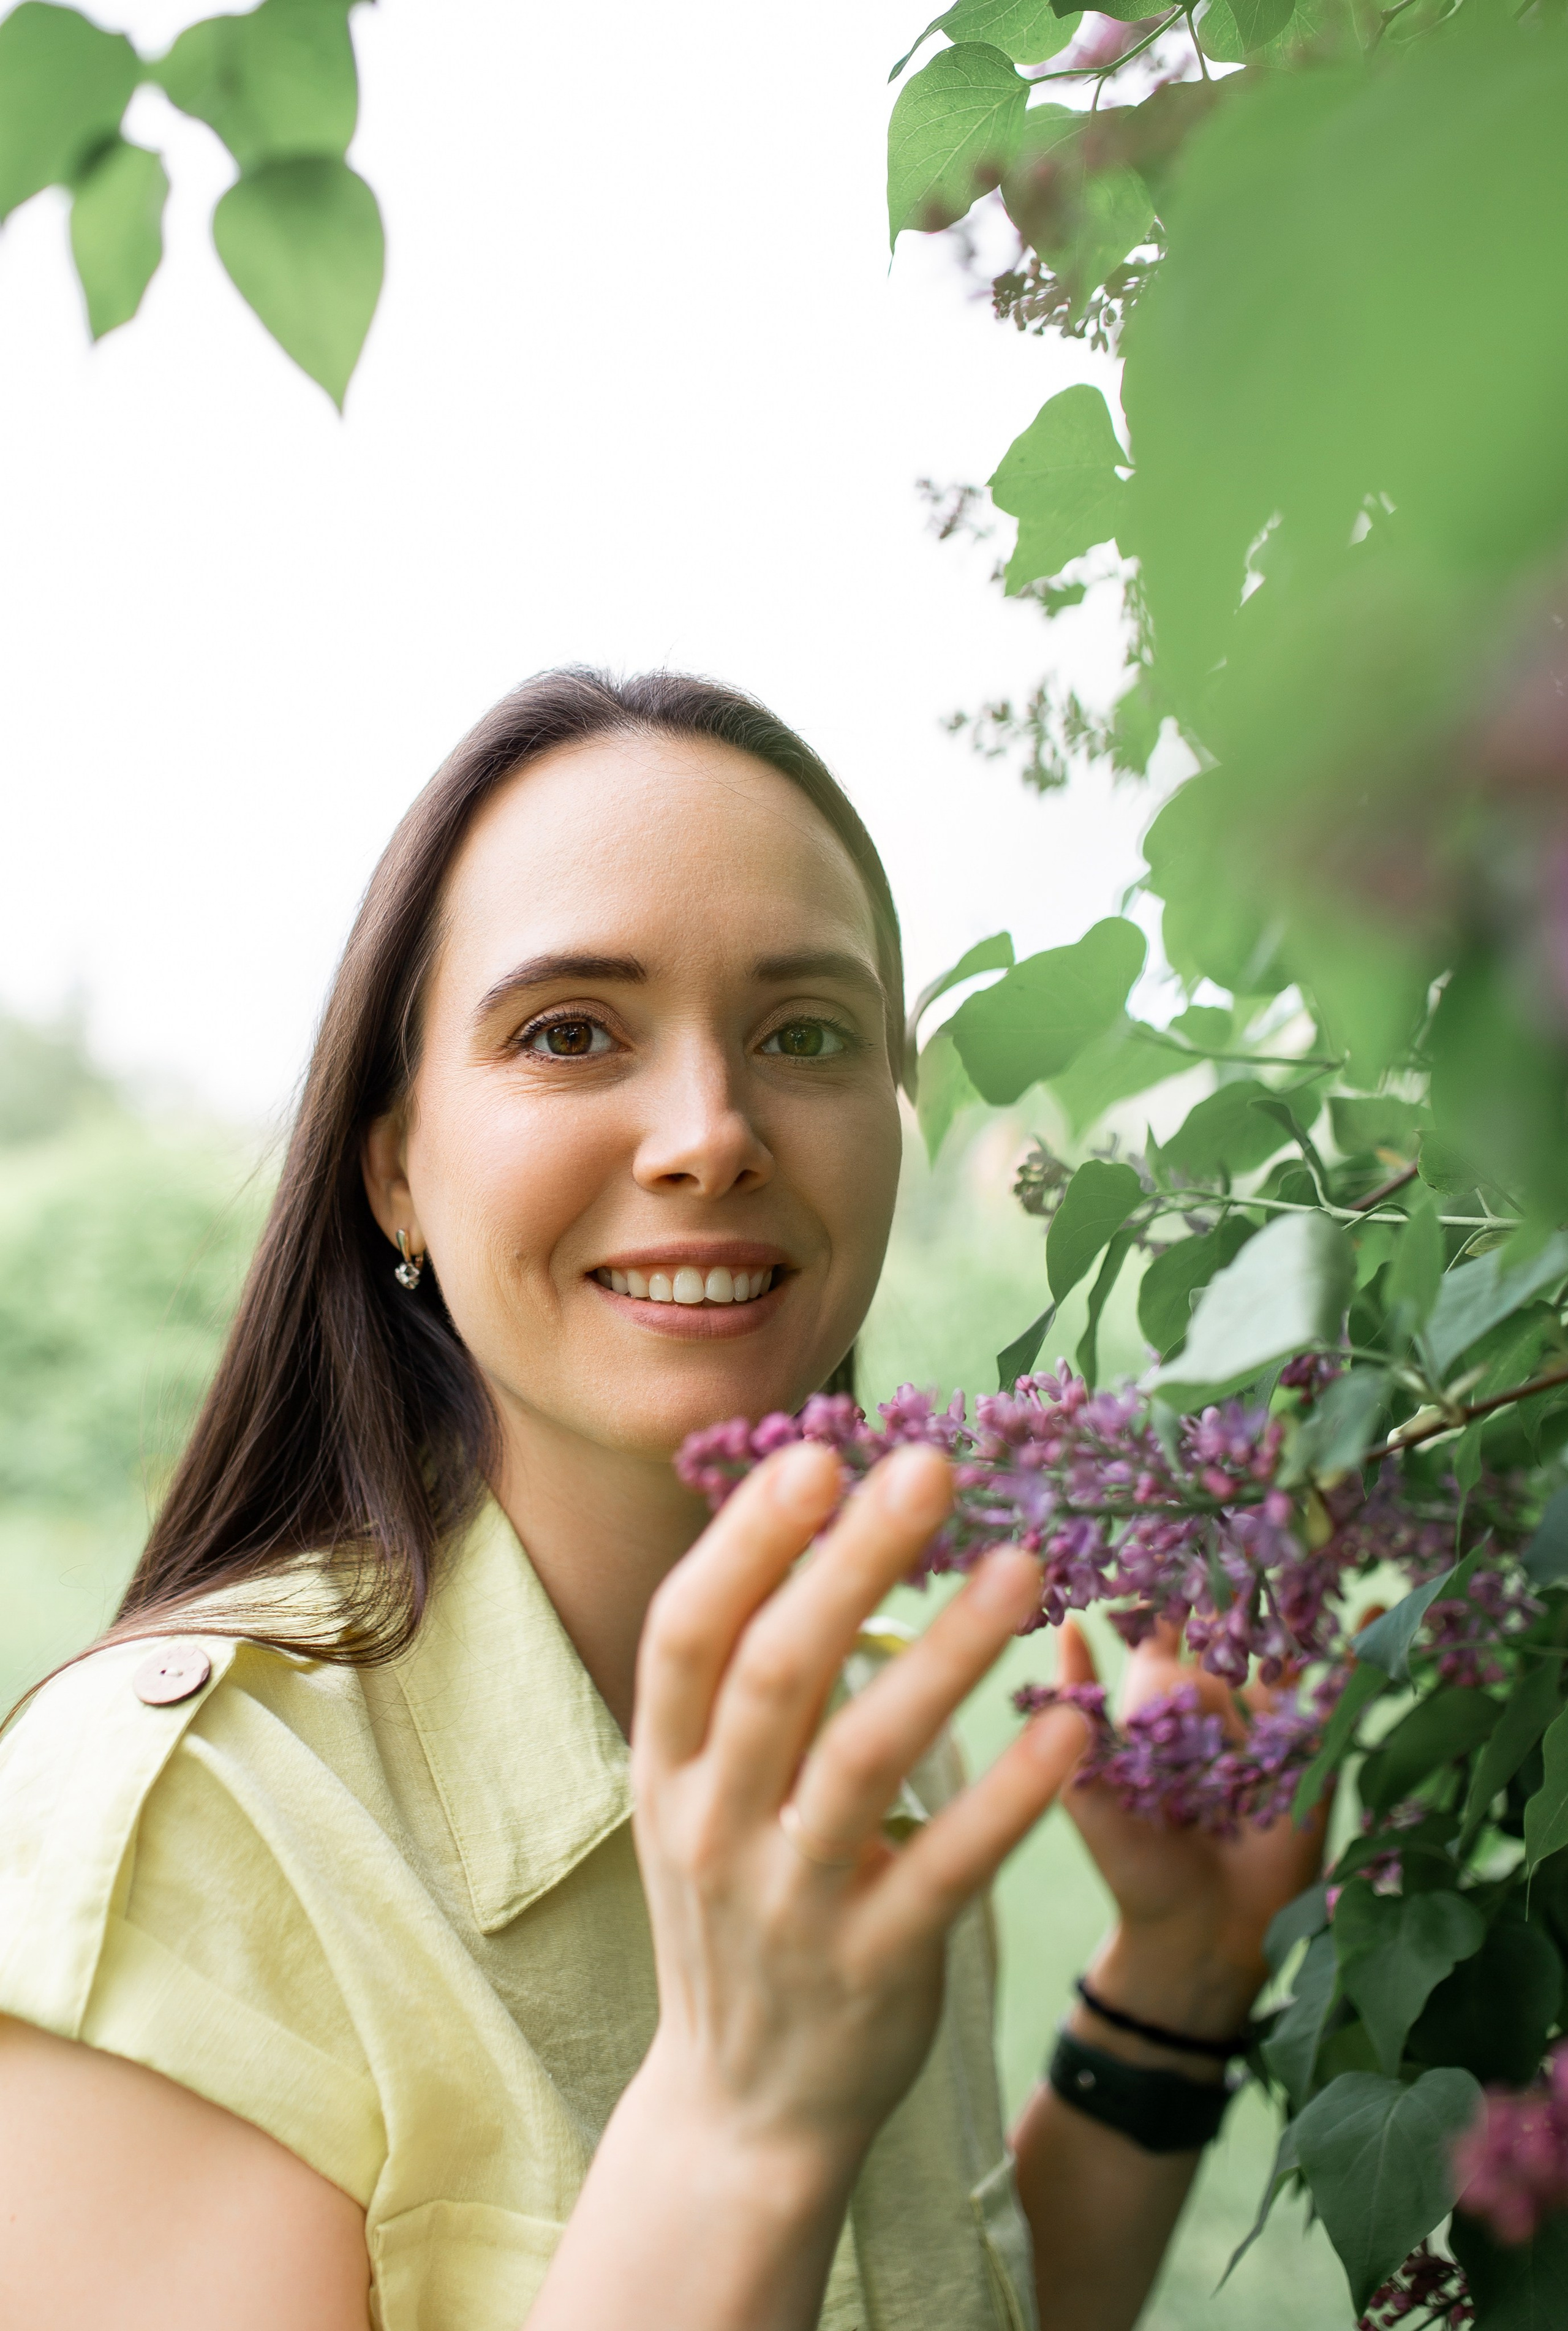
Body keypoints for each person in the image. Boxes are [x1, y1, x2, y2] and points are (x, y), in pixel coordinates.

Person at [0, 670, 1324, 2331]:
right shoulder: (187, 1832)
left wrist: (1175, 1982)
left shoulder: (872, 1743)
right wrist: (741, 2125)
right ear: (396, 1167)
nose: (711, 1135)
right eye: (569, 1032)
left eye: (808, 1034)